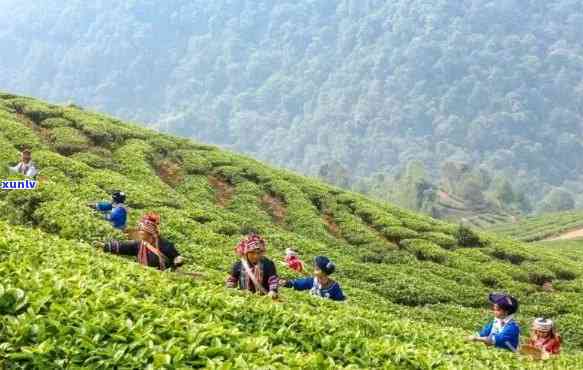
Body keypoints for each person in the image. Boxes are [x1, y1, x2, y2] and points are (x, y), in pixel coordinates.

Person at [99, 212, 184, 270]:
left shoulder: (164, 245)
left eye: (142, 231)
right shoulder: (140, 244)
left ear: (149, 232)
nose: (139, 233)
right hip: (145, 275)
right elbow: (124, 246)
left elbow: (176, 256)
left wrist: (178, 259)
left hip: (163, 277)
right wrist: (105, 245)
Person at [226, 233, 278, 298]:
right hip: (244, 299)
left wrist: (273, 291)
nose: (256, 256)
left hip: (264, 299)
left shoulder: (268, 264)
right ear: (246, 253)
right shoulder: (238, 265)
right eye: (252, 253)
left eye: (259, 253)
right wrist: (230, 287)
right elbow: (232, 280)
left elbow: (273, 280)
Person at [280, 256, 346, 301]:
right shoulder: (312, 281)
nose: (315, 268)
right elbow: (298, 284)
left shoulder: (334, 286)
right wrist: (286, 283)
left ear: (324, 272)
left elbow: (340, 300)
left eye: (318, 268)